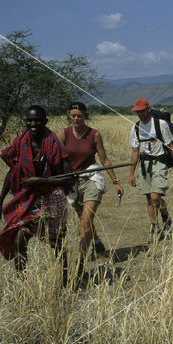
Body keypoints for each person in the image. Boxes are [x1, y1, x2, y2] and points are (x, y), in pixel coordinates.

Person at [0, 105, 74, 283]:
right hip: (28, 197)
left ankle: (66, 279)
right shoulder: (20, 142)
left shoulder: (53, 143)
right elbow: (12, 173)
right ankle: (22, 282)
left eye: (37, 120)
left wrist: (42, 181)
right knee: (19, 239)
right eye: (29, 120)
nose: (33, 123)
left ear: (45, 121)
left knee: (55, 242)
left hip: (53, 195)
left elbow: (70, 178)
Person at [58, 102, 124, 275]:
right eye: (73, 115)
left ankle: (81, 263)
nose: (76, 119)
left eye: (79, 115)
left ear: (85, 116)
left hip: (91, 177)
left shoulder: (94, 134)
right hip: (72, 181)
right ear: (69, 116)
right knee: (83, 219)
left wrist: (115, 181)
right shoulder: (64, 134)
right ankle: (96, 241)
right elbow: (56, 158)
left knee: (86, 221)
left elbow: (105, 159)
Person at [128, 98, 173, 242]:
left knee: (155, 197)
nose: (140, 114)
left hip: (159, 163)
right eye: (137, 112)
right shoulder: (135, 127)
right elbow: (135, 151)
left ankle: (166, 219)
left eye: (142, 111)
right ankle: (155, 227)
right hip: (144, 165)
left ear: (148, 109)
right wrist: (131, 173)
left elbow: (170, 145)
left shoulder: (160, 124)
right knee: (149, 199)